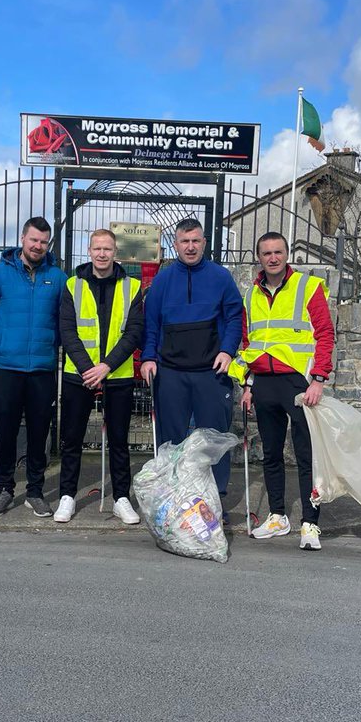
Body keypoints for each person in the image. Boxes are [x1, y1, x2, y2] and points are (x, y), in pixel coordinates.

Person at [229, 231, 335, 550]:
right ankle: (277, 516)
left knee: (307, 456)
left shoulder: (308, 287)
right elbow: (249, 344)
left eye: (278, 252)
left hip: (300, 384)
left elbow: (325, 334)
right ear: (258, 258)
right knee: (271, 454)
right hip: (264, 384)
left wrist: (318, 379)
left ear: (287, 254)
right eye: (266, 253)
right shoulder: (250, 296)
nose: (273, 258)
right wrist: (247, 383)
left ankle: (310, 524)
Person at [140, 217, 243, 510]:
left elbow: (235, 317)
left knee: (213, 440)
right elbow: (151, 323)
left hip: (211, 372)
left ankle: (214, 503)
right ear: (175, 244)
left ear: (205, 243)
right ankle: (172, 501)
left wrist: (227, 350)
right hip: (170, 373)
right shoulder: (162, 280)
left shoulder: (221, 277)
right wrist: (148, 357)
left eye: (196, 241)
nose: (190, 247)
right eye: (184, 241)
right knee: (170, 442)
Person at [0, 216, 67, 517]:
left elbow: (65, 321)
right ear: (23, 239)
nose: (38, 246)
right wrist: (1, 344)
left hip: (42, 368)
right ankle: (5, 488)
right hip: (7, 368)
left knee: (40, 433)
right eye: (33, 240)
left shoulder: (58, 277)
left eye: (43, 241)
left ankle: (36, 491)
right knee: (6, 431)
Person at [55, 228, 144, 525]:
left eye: (108, 249)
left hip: (116, 374)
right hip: (78, 375)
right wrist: (87, 369)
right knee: (72, 439)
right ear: (89, 251)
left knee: (119, 440)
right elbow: (67, 332)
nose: (102, 254)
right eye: (97, 249)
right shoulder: (72, 285)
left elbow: (134, 333)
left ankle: (121, 499)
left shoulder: (132, 287)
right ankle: (67, 496)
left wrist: (105, 366)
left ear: (115, 252)